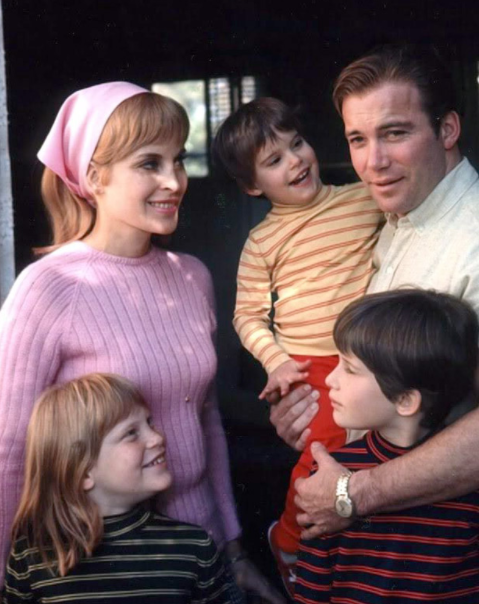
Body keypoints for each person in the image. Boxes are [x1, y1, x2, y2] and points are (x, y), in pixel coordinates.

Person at [0, 81, 283, 603]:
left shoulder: (191, 276)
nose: (174, 180)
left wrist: (234, 550)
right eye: (149, 163)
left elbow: (206, 423)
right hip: (97, 568)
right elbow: (12, 452)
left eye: (177, 160)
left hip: (201, 553)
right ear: (93, 177)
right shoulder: (47, 288)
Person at [268, 44, 479, 540]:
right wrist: (314, 419)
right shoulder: (402, 214)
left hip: (432, 551)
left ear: (447, 129)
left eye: (394, 133)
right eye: (358, 139)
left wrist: (353, 494)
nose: (373, 162)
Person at [213, 97, 383, 591]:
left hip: (365, 359)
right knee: (324, 457)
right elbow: (247, 316)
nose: (295, 160)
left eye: (297, 144)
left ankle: (348, 560)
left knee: (373, 454)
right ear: (251, 186)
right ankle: (288, 539)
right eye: (274, 160)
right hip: (307, 365)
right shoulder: (263, 241)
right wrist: (277, 362)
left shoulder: (362, 199)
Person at [294, 289, 479, 603]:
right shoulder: (331, 472)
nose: (331, 379)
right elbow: (312, 586)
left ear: (406, 400)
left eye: (350, 369)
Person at [3, 373, 233, 603]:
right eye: (131, 433)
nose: (157, 438)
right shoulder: (31, 556)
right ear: (84, 472)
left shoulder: (194, 547)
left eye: (149, 422)